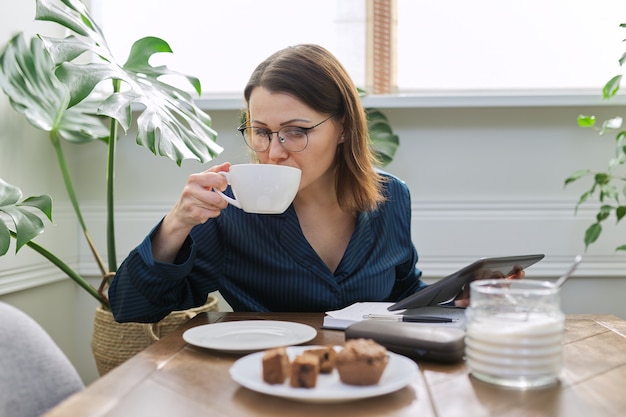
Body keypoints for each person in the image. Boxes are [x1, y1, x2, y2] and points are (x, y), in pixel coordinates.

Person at [109, 44, 521, 323]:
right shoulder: (229, 209)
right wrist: (175, 226)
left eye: (296, 131)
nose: (274, 152)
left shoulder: (391, 198)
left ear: (342, 127)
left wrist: (463, 299)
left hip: (372, 382)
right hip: (265, 386)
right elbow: (131, 307)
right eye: (261, 131)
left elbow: (403, 293)